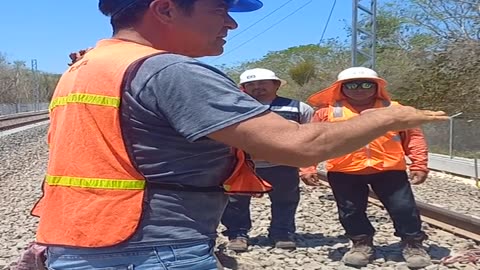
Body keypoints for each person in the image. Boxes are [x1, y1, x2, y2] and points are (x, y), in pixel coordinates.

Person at [30, 0, 447, 269]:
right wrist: (392, 117)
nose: (230, 22)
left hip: (80, 241)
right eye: (218, 9)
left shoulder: (88, 65)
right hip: (151, 248)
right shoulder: (170, 71)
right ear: (165, 9)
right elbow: (301, 146)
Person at [300, 67, 432, 268]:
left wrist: (419, 164)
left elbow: (414, 137)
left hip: (389, 169)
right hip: (344, 171)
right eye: (352, 85)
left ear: (377, 87)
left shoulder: (395, 109)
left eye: (366, 84)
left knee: (404, 208)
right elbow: (311, 141)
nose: (359, 89)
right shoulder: (326, 113)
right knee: (350, 211)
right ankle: (361, 244)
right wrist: (308, 168)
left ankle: (413, 244)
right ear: (341, 88)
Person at [221, 68, 316, 251]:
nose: (257, 87)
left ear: (276, 84)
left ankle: (282, 233)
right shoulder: (230, 108)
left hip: (283, 164)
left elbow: (311, 139)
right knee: (235, 202)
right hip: (242, 165)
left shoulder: (298, 108)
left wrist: (307, 167)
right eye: (251, 84)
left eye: (262, 83)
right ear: (243, 88)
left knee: (285, 200)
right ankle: (237, 234)